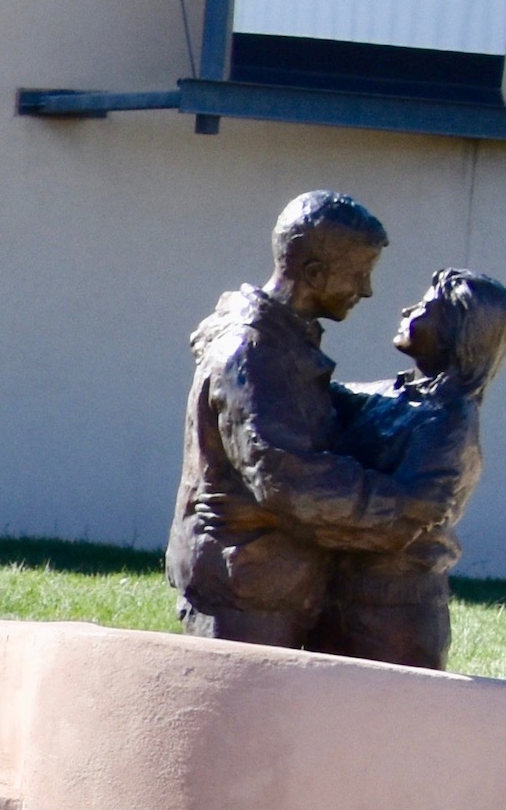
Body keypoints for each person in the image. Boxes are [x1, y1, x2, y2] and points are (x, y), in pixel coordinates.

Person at [168, 190, 452, 648]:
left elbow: (319, 411)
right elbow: (288, 478)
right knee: (250, 715)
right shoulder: (253, 352)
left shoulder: (287, 346)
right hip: (246, 585)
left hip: (270, 578)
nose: (366, 290)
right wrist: (401, 504)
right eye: (358, 274)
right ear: (314, 273)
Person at [315, 268, 506, 670]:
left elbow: (420, 509)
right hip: (338, 592)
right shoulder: (391, 394)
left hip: (395, 608)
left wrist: (321, 501)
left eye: (427, 308)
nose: (408, 310)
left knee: (392, 719)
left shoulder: (449, 418)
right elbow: (317, 390)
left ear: (460, 333)